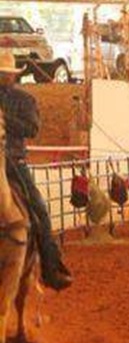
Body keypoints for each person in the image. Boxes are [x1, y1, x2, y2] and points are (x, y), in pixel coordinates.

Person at [0, 51, 72, 290]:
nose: (4, 77)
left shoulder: (25, 100)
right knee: (39, 208)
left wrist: (4, 119)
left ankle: (51, 268)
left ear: (14, 76)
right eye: (1, 74)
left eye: (6, 74)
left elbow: (31, 129)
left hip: (14, 162)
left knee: (39, 210)